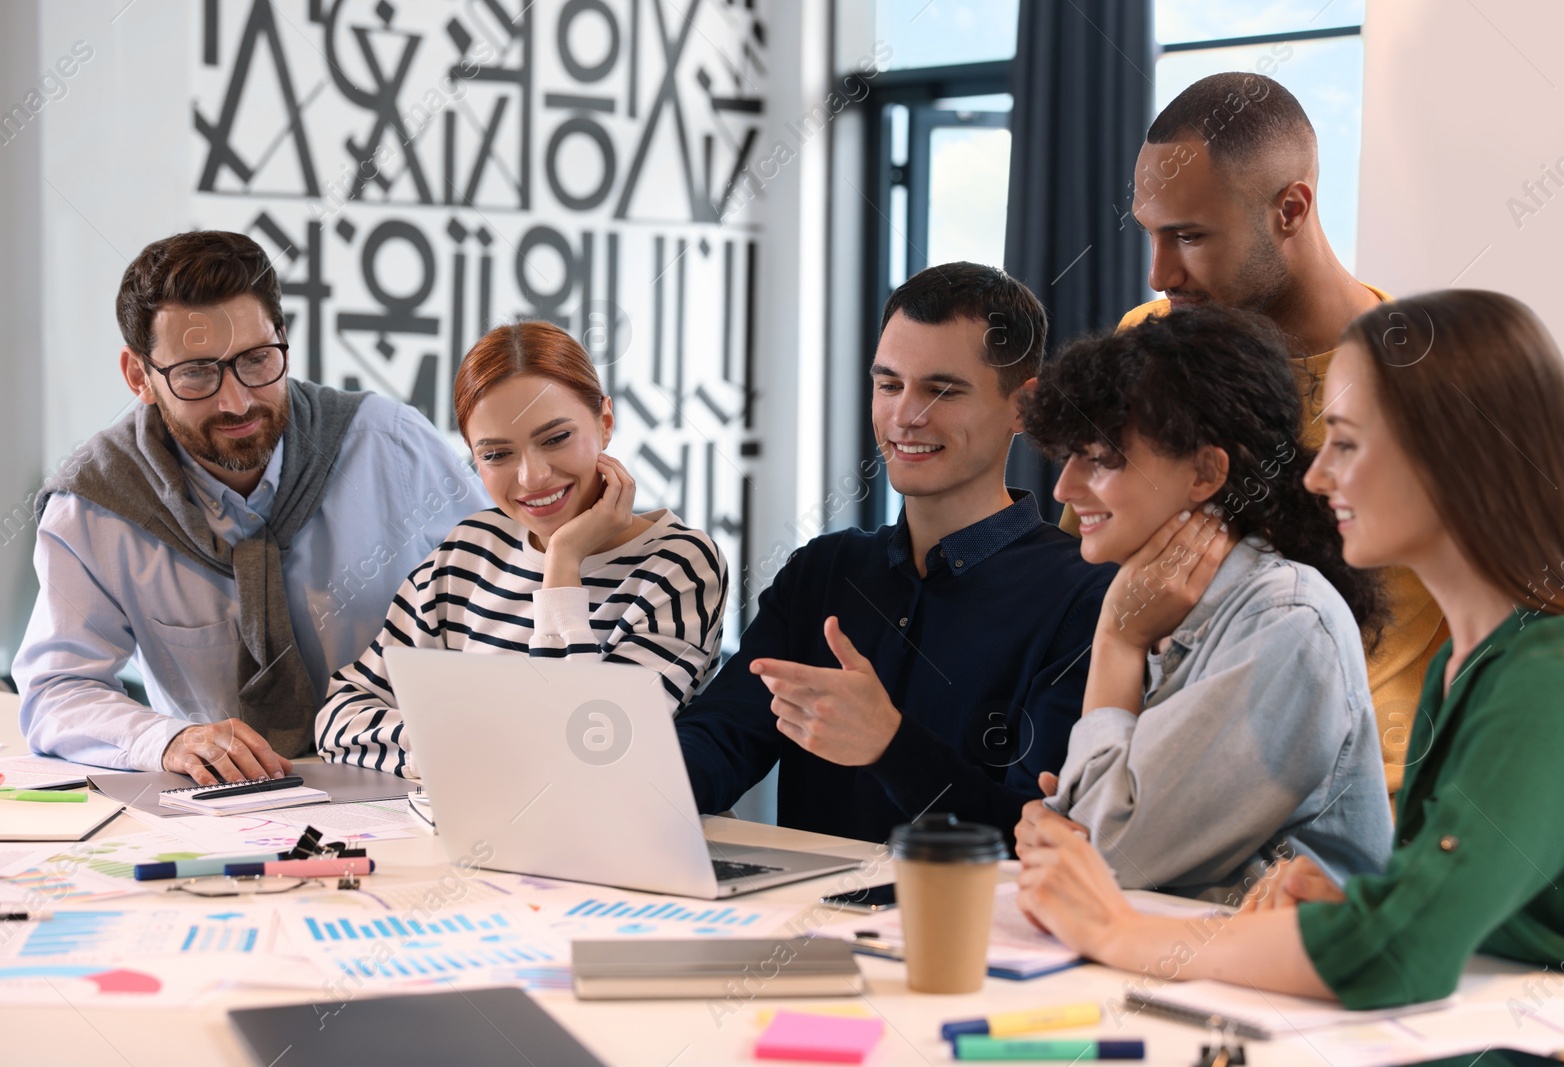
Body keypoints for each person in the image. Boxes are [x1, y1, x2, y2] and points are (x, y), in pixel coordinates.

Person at [1015, 290, 1564, 1007]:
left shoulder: (1558, 672)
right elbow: (1435, 913)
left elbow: (1401, 951)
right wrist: (1357, 903)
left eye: (1347, 444)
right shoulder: (1470, 667)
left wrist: (1117, 930)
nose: (1318, 477)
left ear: (1451, 456)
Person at [1085, 72, 1446, 796]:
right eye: (1151, 233)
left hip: (1357, 821)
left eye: (1188, 236)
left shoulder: (1433, 381)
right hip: (1158, 794)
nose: (1160, 274)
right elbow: (1089, 578)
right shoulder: (1147, 344)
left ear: (1291, 208)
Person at [13, 231, 484, 783]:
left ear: (283, 338)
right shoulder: (95, 505)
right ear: (139, 377)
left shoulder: (394, 446)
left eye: (257, 360)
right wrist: (167, 739)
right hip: (223, 808)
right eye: (196, 373)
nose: (236, 401)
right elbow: (56, 689)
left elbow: (505, 589)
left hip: (413, 782)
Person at [674, 262, 1114, 846]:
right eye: (889, 385)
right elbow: (723, 739)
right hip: (806, 926)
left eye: (942, 390)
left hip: (973, 934)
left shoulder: (1087, 593)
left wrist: (890, 745)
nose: (907, 415)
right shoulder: (823, 572)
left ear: (1023, 408)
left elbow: (1040, 835)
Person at [1022, 306, 1392, 901]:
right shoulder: (1168, 604)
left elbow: (1107, 860)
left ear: (1205, 472)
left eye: (1102, 457)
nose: (1064, 488)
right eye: (1070, 454)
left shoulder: (1285, 622)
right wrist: (1058, 825)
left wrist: (1117, 643)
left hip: (1263, 990)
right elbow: (1085, 838)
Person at [317, 321, 727, 778]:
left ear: (605, 422)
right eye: (496, 455)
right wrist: (449, 745)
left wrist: (564, 561)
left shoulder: (680, 566)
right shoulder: (469, 552)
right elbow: (340, 717)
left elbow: (586, 750)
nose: (532, 477)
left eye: (555, 439)